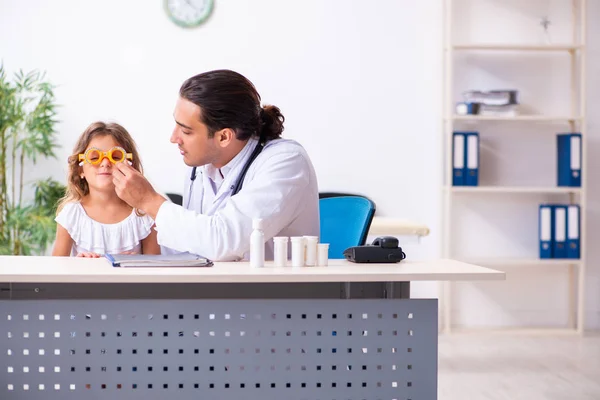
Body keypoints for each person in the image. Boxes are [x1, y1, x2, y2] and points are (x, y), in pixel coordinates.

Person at [112, 69, 319, 261]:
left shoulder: (286, 162)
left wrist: (149, 201)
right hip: (217, 291)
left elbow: (223, 242)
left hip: (277, 295)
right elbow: (193, 247)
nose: (174, 138)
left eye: (186, 131)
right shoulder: (201, 168)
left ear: (224, 137)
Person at [52, 122, 160, 257]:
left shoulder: (143, 214)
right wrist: (78, 265)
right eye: (94, 157)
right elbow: (57, 270)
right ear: (80, 169)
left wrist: (137, 263)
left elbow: (155, 272)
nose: (105, 163)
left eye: (115, 157)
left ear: (130, 166)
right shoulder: (72, 215)